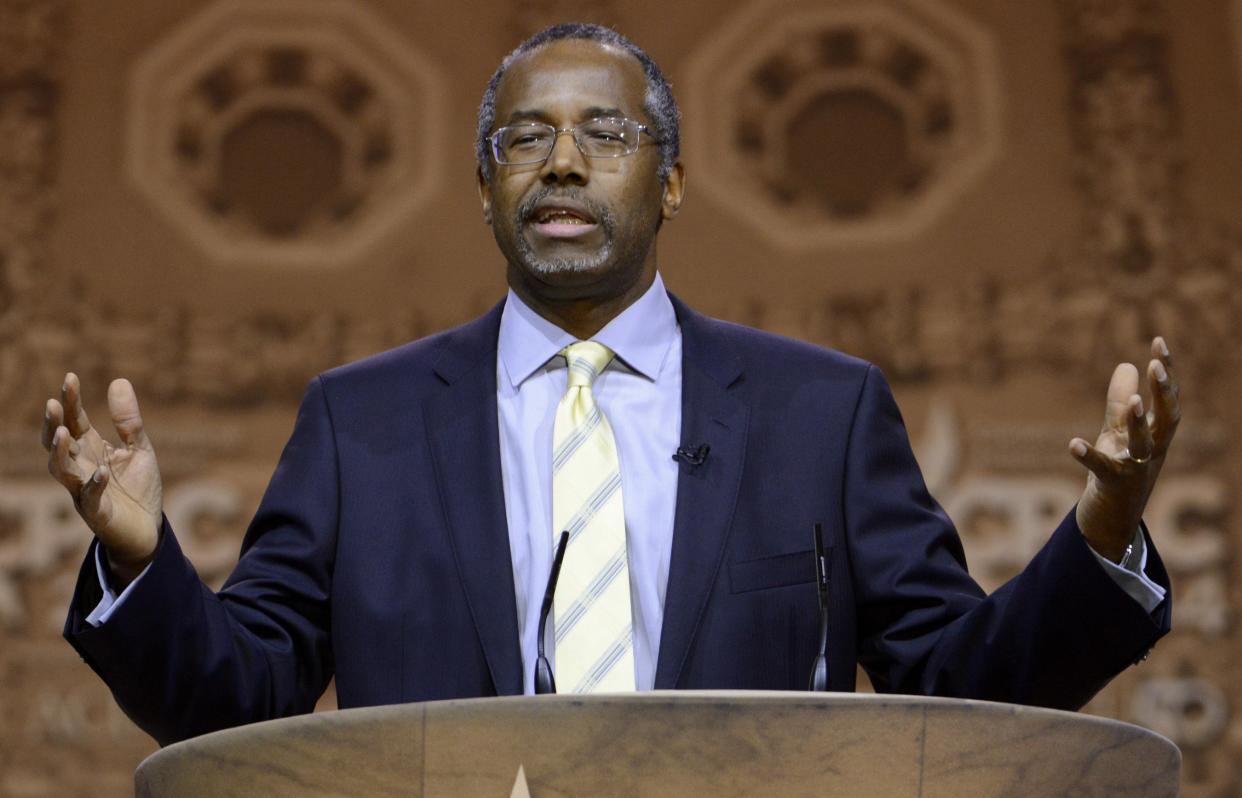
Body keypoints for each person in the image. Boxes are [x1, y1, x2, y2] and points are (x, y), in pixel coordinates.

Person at [44, 24, 1178, 746]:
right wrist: (141, 562)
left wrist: (1103, 533)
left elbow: (963, 690)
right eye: (525, 139)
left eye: (607, 132)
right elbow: (241, 705)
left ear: (672, 180)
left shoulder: (818, 413)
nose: (565, 162)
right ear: (486, 188)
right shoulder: (363, 421)